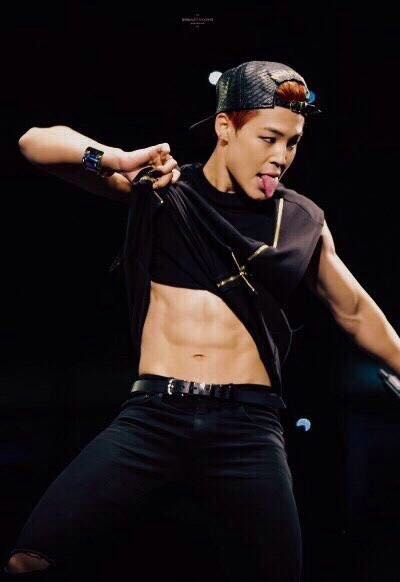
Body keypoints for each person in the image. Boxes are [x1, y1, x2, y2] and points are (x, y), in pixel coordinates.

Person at [4, 60, 400, 581]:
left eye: (293, 143)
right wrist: (115, 159)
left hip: (248, 427)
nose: (281, 157)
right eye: (269, 138)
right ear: (225, 127)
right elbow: (34, 142)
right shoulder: (165, 190)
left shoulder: (299, 220)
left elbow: (354, 311)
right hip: (153, 419)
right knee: (28, 561)